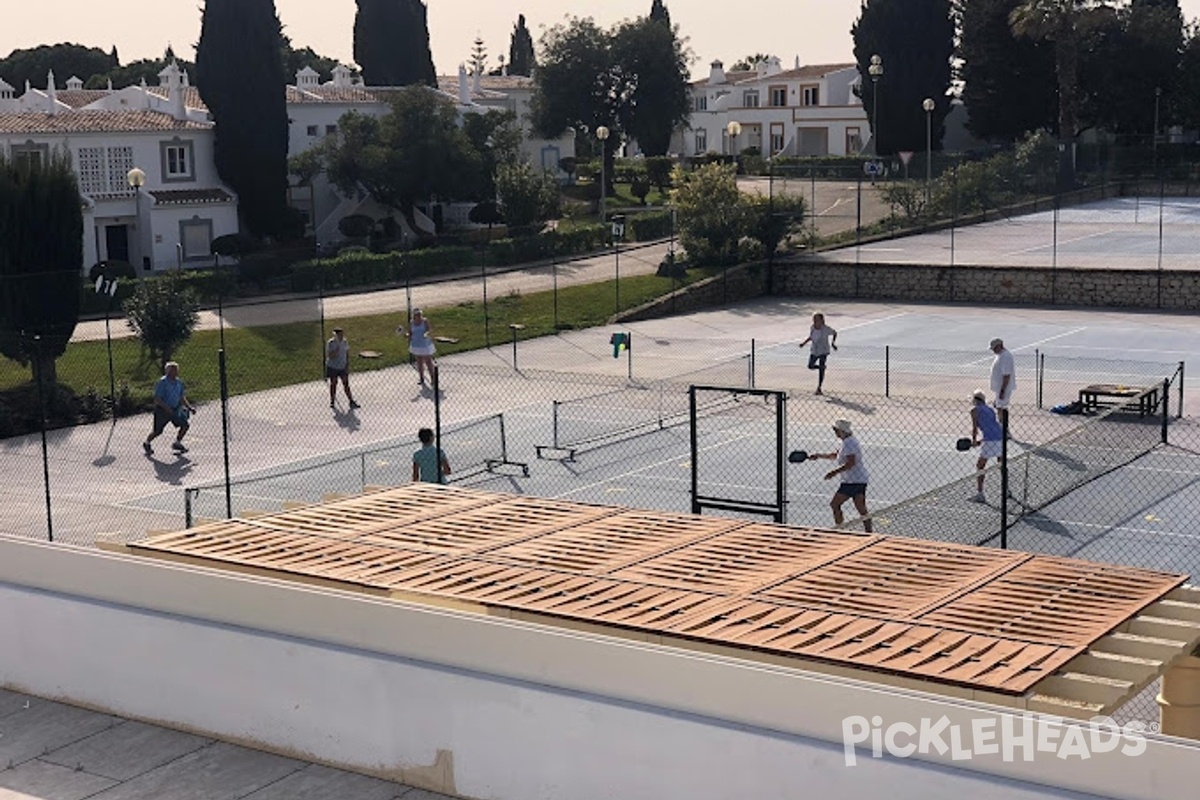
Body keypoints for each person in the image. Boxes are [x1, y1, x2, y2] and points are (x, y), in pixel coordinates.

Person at [812, 418, 872, 532]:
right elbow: (836, 455)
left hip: (852, 481)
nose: (834, 432)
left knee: (835, 504)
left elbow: (851, 462)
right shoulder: (847, 441)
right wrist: (819, 455)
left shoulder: (849, 443)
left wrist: (834, 472)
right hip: (858, 480)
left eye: (835, 430)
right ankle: (869, 533)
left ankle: (840, 530)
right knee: (862, 510)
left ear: (841, 431)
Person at [144, 361, 196, 455]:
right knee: (157, 431)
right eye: (173, 370)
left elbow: (181, 397)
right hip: (162, 410)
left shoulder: (179, 382)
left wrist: (189, 407)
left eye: (176, 370)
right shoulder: (162, 382)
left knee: (185, 425)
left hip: (175, 409)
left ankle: (177, 442)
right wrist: (166, 407)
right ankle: (147, 442)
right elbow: (157, 398)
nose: (176, 372)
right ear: (168, 371)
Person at [969, 389, 1003, 503]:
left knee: (980, 466)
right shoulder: (990, 410)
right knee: (1002, 464)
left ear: (974, 400)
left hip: (990, 440)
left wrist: (974, 440)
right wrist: (981, 441)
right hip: (1000, 437)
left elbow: (975, 428)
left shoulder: (974, 410)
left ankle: (980, 494)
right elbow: (991, 427)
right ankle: (1006, 490)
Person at [798, 312, 838, 395]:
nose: (814, 321)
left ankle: (819, 388)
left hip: (823, 350)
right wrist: (804, 343)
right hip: (815, 350)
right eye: (814, 319)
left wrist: (833, 343)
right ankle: (821, 367)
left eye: (816, 319)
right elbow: (811, 337)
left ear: (821, 320)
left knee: (821, 370)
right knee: (810, 365)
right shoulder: (812, 327)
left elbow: (835, 333)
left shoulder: (826, 329)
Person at [326, 327, 360, 409]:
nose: (341, 336)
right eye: (339, 335)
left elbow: (347, 352)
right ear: (335, 335)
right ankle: (332, 401)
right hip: (333, 366)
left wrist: (347, 363)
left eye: (342, 334)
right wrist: (336, 350)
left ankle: (351, 401)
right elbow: (330, 356)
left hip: (342, 366)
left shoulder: (344, 342)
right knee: (333, 383)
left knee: (346, 384)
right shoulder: (331, 343)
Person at [401, 308, 437, 386]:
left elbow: (429, 330)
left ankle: (433, 379)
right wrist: (404, 334)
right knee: (419, 362)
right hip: (416, 345)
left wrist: (426, 333)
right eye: (417, 315)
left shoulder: (425, 321)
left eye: (420, 314)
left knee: (428, 362)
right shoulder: (411, 323)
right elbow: (410, 334)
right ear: (414, 315)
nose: (419, 316)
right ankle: (421, 378)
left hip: (425, 345)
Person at [989, 338, 1016, 416]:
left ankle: (1002, 425)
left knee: (1001, 407)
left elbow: (1006, 375)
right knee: (998, 406)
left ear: (999, 346)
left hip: (1003, 388)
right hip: (999, 388)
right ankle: (1001, 424)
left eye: (994, 348)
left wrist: (1002, 390)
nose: (993, 350)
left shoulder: (1006, 356)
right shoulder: (1000, 355)